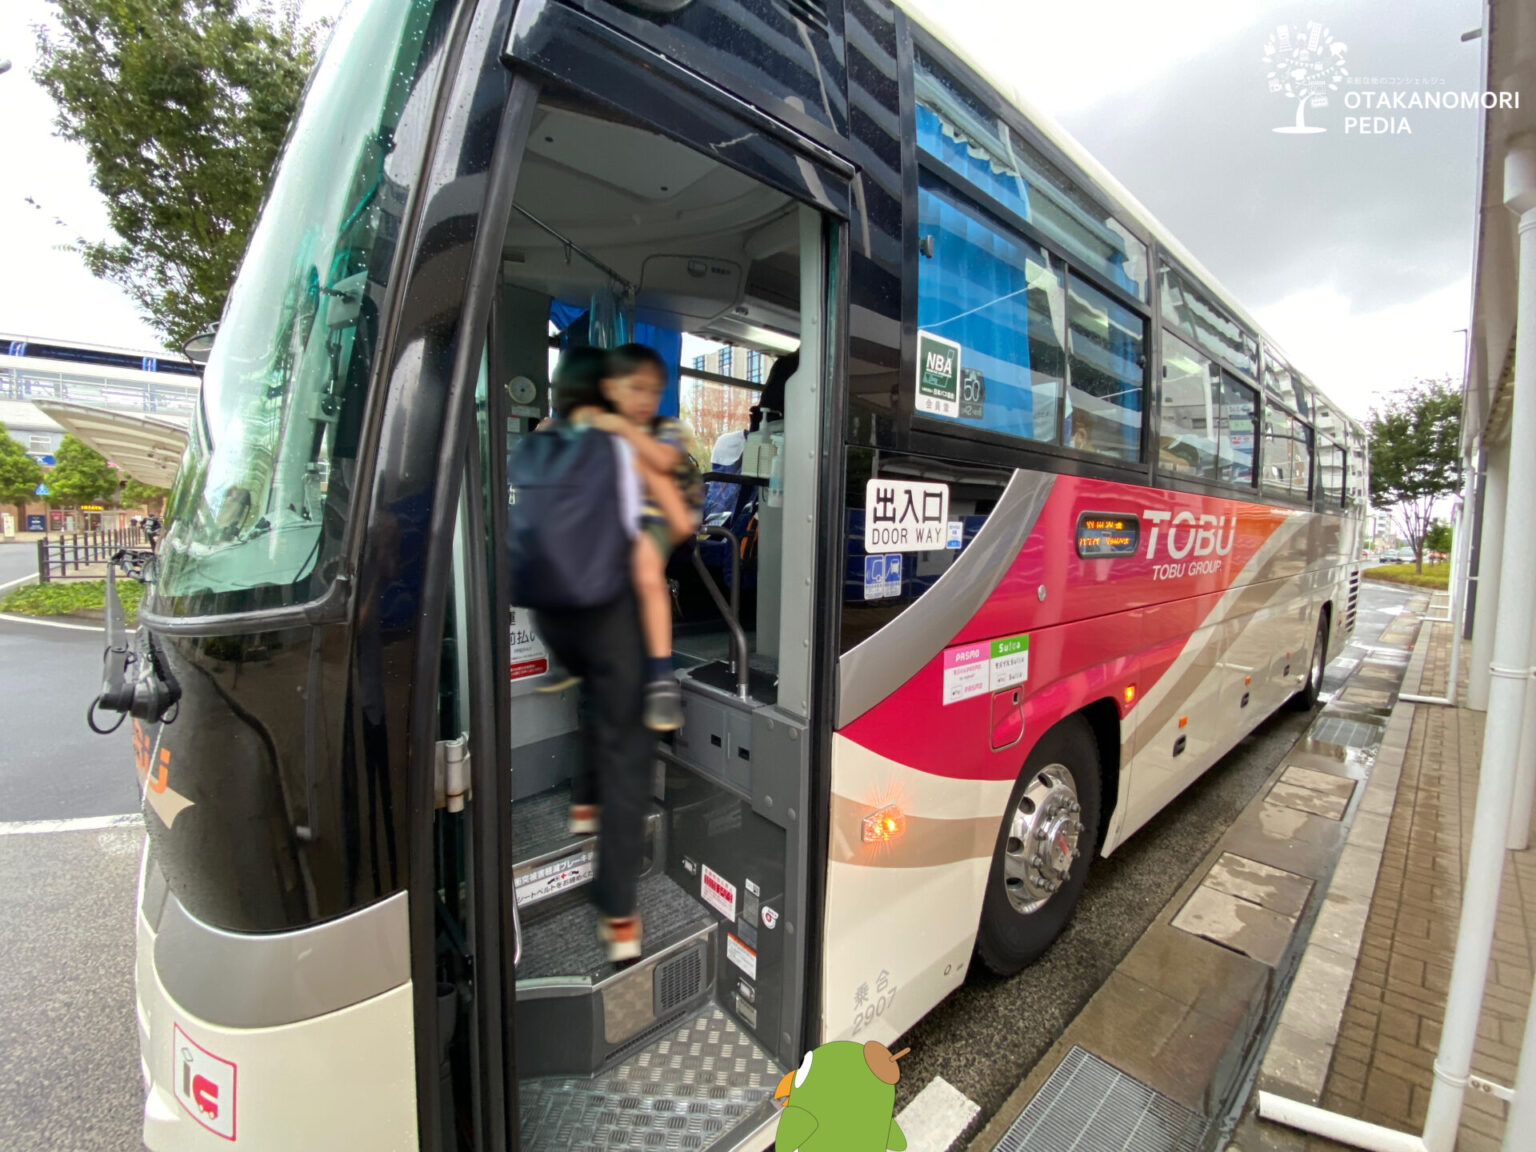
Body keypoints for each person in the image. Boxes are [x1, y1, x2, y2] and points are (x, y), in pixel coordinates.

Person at [526, 347, 684, 961]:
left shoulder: (551, 436)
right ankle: (618, 912)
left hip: (561, 611)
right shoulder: (623, 441)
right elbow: (673, 511)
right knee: (629, 757)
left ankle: (583, 804)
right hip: (611, 609)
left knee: (595, 700)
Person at [584, 344, 703, 732]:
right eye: (634, 388)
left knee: (647, 572)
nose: (644, 400)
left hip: (650, 526)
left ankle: (658, 674)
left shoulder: (663, 430)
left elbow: (665, 461)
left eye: (652, 391)